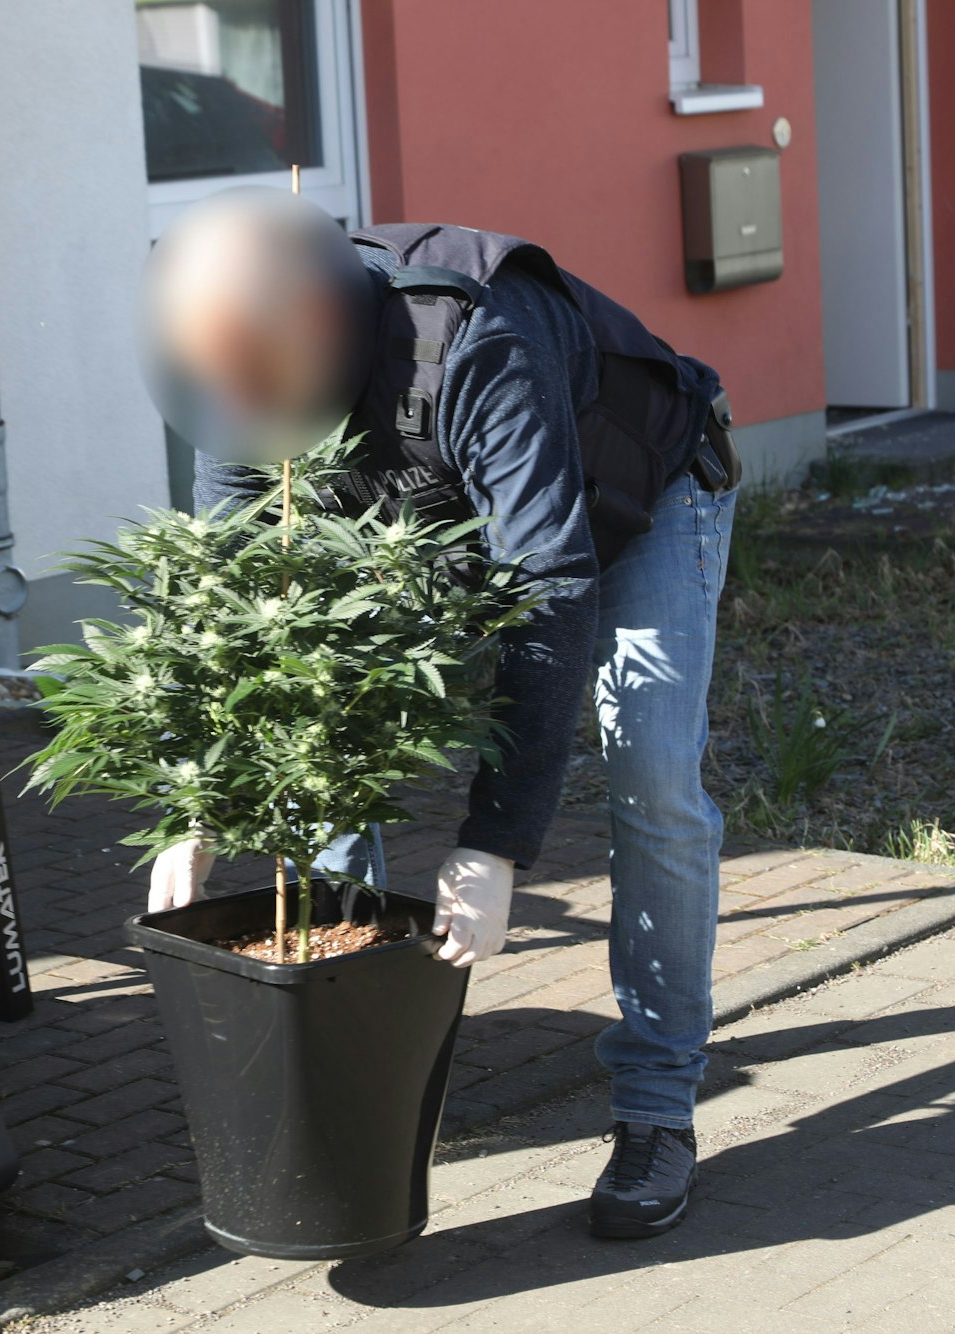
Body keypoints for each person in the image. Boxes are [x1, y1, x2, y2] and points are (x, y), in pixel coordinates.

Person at [138, 190, 739, 1239]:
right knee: (326, 736)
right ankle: (361, 1065)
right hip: (441, 517)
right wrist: (196, 798)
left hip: (640, 498)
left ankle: (656, 1106)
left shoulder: (472, 341)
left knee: (648, 769)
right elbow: (232, 593)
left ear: (317, 333)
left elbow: (547, 582)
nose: (245, 403)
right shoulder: (237, 373)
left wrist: (495, 844)